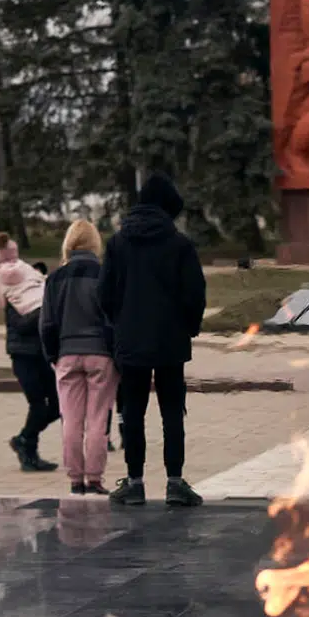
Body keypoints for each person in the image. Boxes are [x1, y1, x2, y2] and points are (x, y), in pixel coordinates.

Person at [98, 171, 207, 508]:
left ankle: (135, 483)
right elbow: (195, 294)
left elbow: (104, 293)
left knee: (133, 413)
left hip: (130, 341)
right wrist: (189, 327)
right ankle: (175, 482)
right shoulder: (180, 244)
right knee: (172, 412)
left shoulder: (117, 243)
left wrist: (119, 324)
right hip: (170, 341)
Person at [41, 219, 118, 495]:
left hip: (66, 353)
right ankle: (95, 477)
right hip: (100, 355)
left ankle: (75, 478)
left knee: (71, 419)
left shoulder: (55, 279)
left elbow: (47, 323)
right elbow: (113, 320)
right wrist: (114, 352)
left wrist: (53, 354)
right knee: (98, 418)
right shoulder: (105, 275)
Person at [0, 232, 59, 472]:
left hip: (42, 355)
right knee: (38, 405)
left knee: (58, 404)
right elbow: (22, 325)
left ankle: (24, 440)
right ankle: (28, 450)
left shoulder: (32, 290)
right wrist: (44, 311)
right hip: (23, 356)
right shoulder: (11, 297)